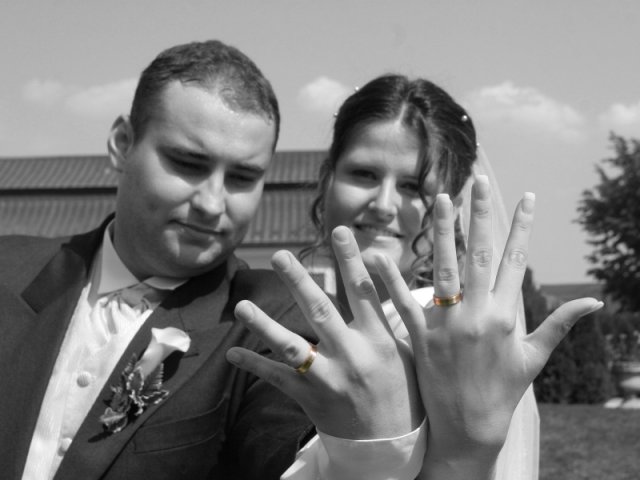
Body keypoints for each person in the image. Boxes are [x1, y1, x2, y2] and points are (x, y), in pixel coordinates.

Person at [0, 42, 426, 480]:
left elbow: (290, 450)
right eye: (188, 164)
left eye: (242, 177)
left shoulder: (271, 319)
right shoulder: (7, 269)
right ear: (123, 144)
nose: (211, 203)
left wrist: (366, 445)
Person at [228, 75, 604, 479]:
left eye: (412, 186)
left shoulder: (454, 344)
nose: (383, 204)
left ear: (451, 208)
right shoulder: (281, 312)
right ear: (327, 178)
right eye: (363, 174)